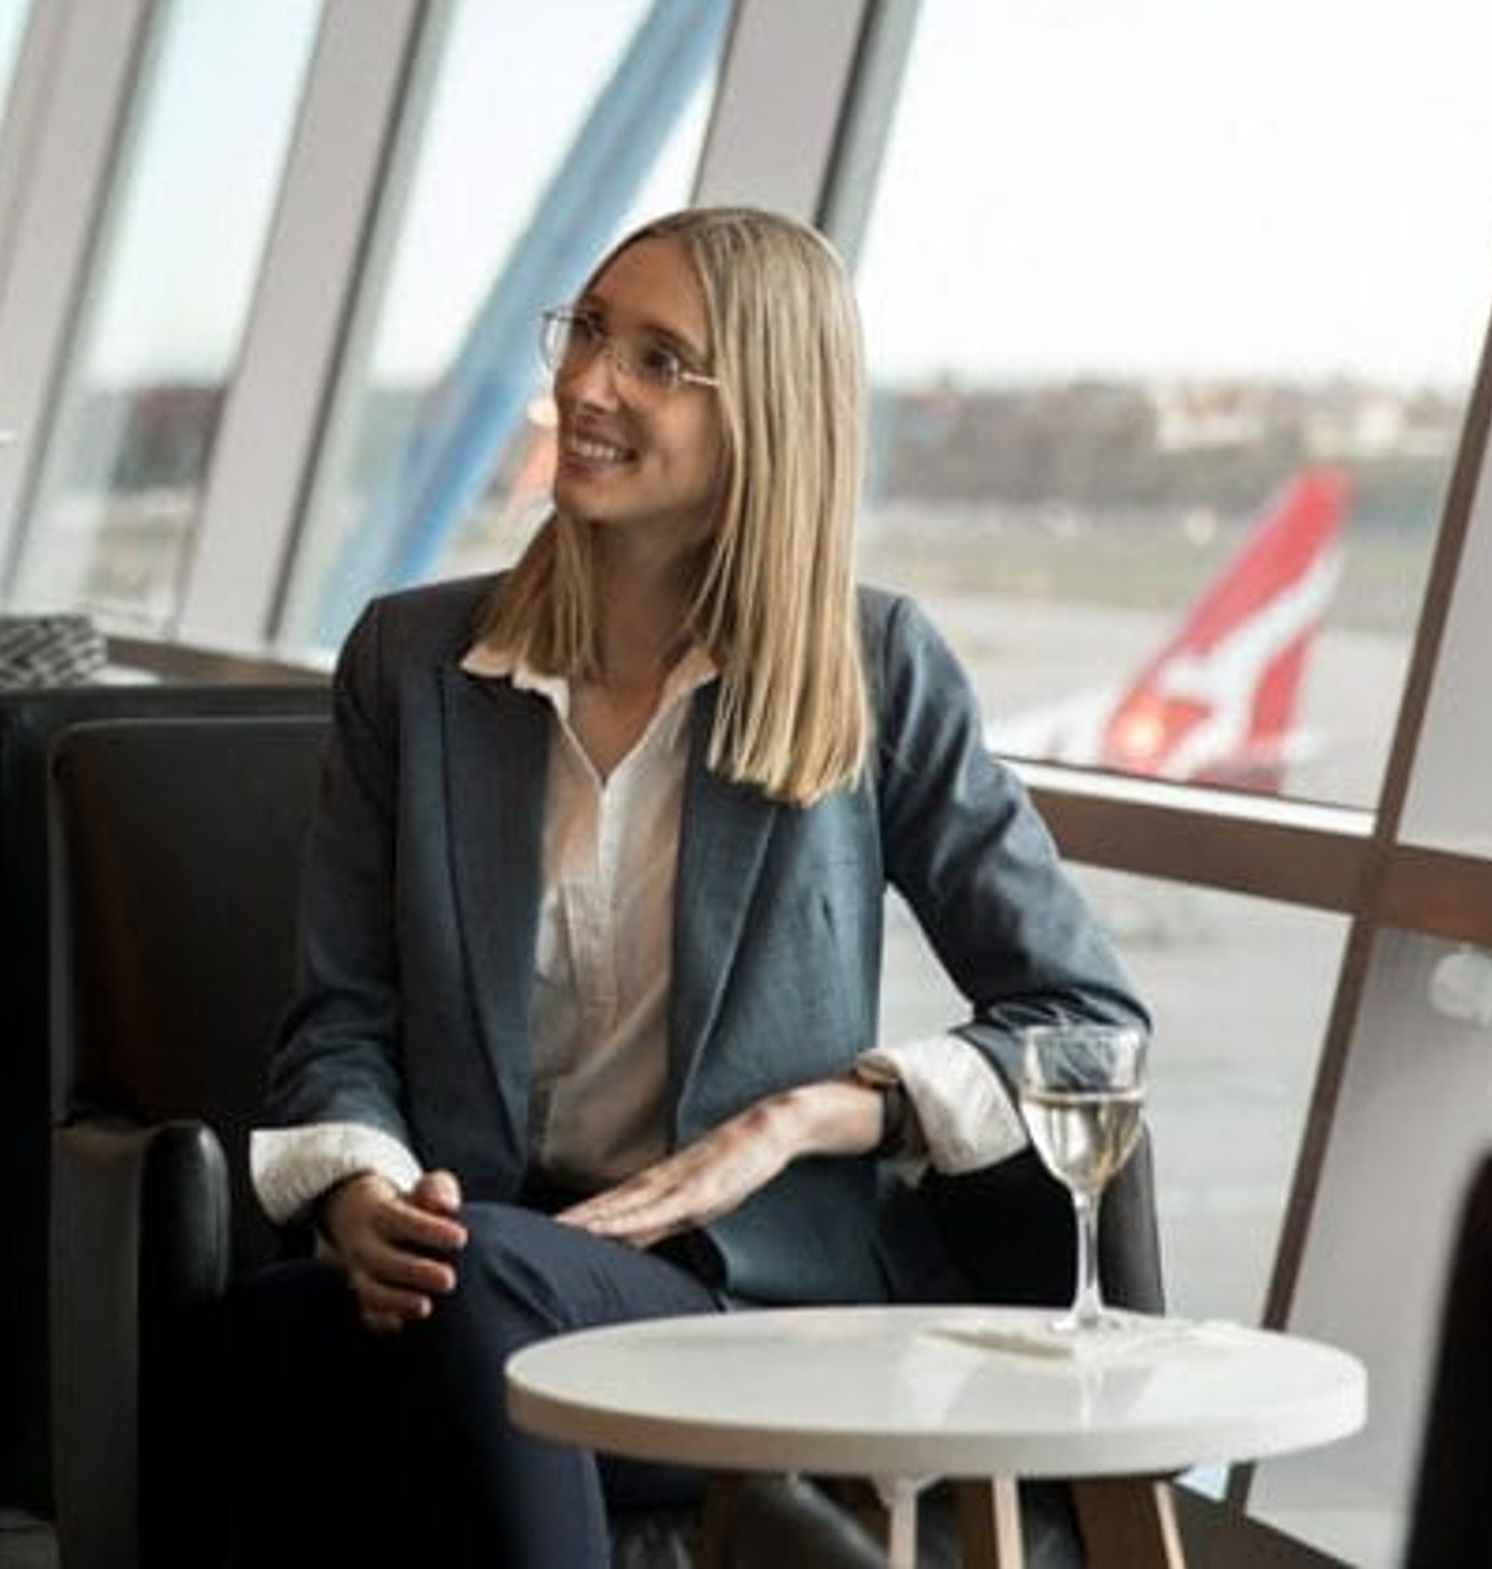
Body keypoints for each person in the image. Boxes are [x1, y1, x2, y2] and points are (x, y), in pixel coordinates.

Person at [235, 206, 1147, 1568]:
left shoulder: (875, 665)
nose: (591, 383)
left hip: (749, 1311)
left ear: (764, 417)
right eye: (591, 330)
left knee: (441, 1325)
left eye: (661, 360)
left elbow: (1089, 1019)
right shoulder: (412, 664)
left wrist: (810, 1115)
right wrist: (358, 1194)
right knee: (260, 1345)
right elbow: (342, 1015)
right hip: (468, 1263)